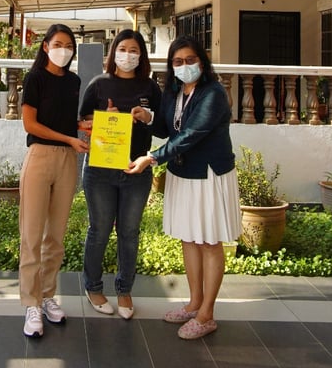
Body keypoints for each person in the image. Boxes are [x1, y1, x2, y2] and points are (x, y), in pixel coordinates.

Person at [127, 35, 241, 339]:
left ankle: (207, 315)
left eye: (190, 60)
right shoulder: (175, 91)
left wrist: (150, 158)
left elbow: (190, 135)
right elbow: (167, 127)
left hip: (208, 176)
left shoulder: (213, 94)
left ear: (202, 62)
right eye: (178, 61)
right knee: (189, 239)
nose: (185, 66)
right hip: (182, 173)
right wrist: (147, 116)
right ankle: (193, 303)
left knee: (208, 242)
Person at [79, 29, 161, 319]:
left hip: (136, 171)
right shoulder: (99, 85)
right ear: (114, 53)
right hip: (100, 172)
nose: (128, 55)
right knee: (99, 230)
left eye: (134, 50)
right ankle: (93, 286)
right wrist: (103, 118)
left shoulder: (150, 88)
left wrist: (148, 117)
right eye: (123, 49)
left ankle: (125, 290)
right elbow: (81, 121)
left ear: (141, 55)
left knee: (129, 233)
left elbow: (162, 127)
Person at [19, 23, 89, 338]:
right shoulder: (34, 78)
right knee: (32, 236)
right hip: (40, 158)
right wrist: (69, 138)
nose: (64, 49)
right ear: (46, 46)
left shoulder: (73, 81)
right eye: (58, 43)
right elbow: (30, 124)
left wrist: (84, 127)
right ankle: (31, 304)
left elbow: (63, 119)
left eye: (69, 45)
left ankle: (48, 296)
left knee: (56, 237)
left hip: (67, 160)